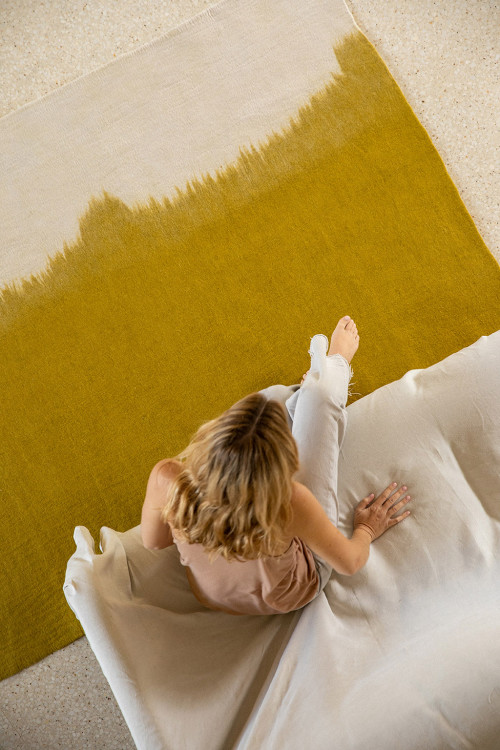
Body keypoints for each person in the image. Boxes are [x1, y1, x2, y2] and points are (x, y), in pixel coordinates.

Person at [140, 315, 412, 615]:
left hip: (211, 595)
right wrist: (366, 529)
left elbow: (154, 542)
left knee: (276, 398)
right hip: (294, 591)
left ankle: (309, 389)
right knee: (313, 401)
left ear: (212, 440)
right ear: (281, 467)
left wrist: (196, 526)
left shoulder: (166, 477)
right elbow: (349, 562)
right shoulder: (289, 503)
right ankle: (332, 369)